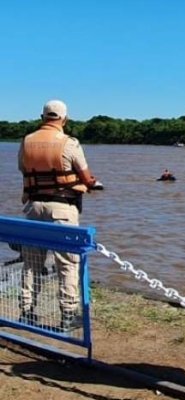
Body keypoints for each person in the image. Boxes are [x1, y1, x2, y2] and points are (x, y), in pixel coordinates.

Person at [18, 99, 100, 331]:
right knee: (67, 263)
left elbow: (23, 169)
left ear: (42, 117)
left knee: (32, 263)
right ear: (64, 119)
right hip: (62, 209)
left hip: (34, 208)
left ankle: (26, 312)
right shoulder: (69, 143)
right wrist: (91, 184)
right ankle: (67, 315)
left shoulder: (26, 142)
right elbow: (86, 178)